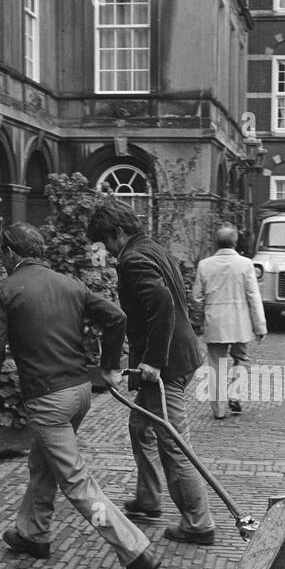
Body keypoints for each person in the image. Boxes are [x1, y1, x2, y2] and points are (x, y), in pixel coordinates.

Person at [0, 223, 161, 569]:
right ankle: (32, 533)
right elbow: (117, 317)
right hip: (79, 393)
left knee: (76, 482)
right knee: (43, 462)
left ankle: (135, 552)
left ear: (9, 253)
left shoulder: (5, 290)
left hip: (47, 399)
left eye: (1, 253)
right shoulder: (70, 284)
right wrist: (109, 365)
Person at [85, 201, 218, 546]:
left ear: (118, 233)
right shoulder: (153, 248)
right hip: (178, 354)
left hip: (166, 365)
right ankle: (148, 499)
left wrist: (155, 360)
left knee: (173, 442)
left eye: (105, 242)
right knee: (140, 426)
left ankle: (199, 523)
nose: (106, 252)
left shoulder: (133, 258)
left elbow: (162, 303)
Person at [191, 224, 267, 419]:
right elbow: (253, 296)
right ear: (235, 242)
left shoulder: (205, 265)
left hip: (215, 322)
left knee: (216, 366)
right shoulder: (246, 264)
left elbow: (197, 297)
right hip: (239, 322)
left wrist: (197, 320)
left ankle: (218, 410)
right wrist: (260, 326)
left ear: (216, 242)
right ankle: (235, 394)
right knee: (241, 359)